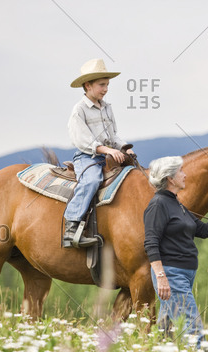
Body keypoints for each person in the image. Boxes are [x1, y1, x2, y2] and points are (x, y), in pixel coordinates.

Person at [143, 156, 208, 348]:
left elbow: (204, 231)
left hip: (184, 274)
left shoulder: (177, 204)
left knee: (167, 332)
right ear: (170, 178)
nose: (185, 174)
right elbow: (150, 243)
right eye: (181, 171)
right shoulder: (158, 205)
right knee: (193, 330)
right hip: (171, 275)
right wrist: (161, 277)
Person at [63, 58, 133, 248]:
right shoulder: (79, 110)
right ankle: (71, 227)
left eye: (107, 85)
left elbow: (113, 136)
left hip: (108, 155)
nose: (106, 89)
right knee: (92, 180)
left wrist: (125, 148)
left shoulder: (107, 108)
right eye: (102, 85)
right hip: (87, 157)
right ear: (88, 85)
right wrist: (107, 150)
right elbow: (83, 140)